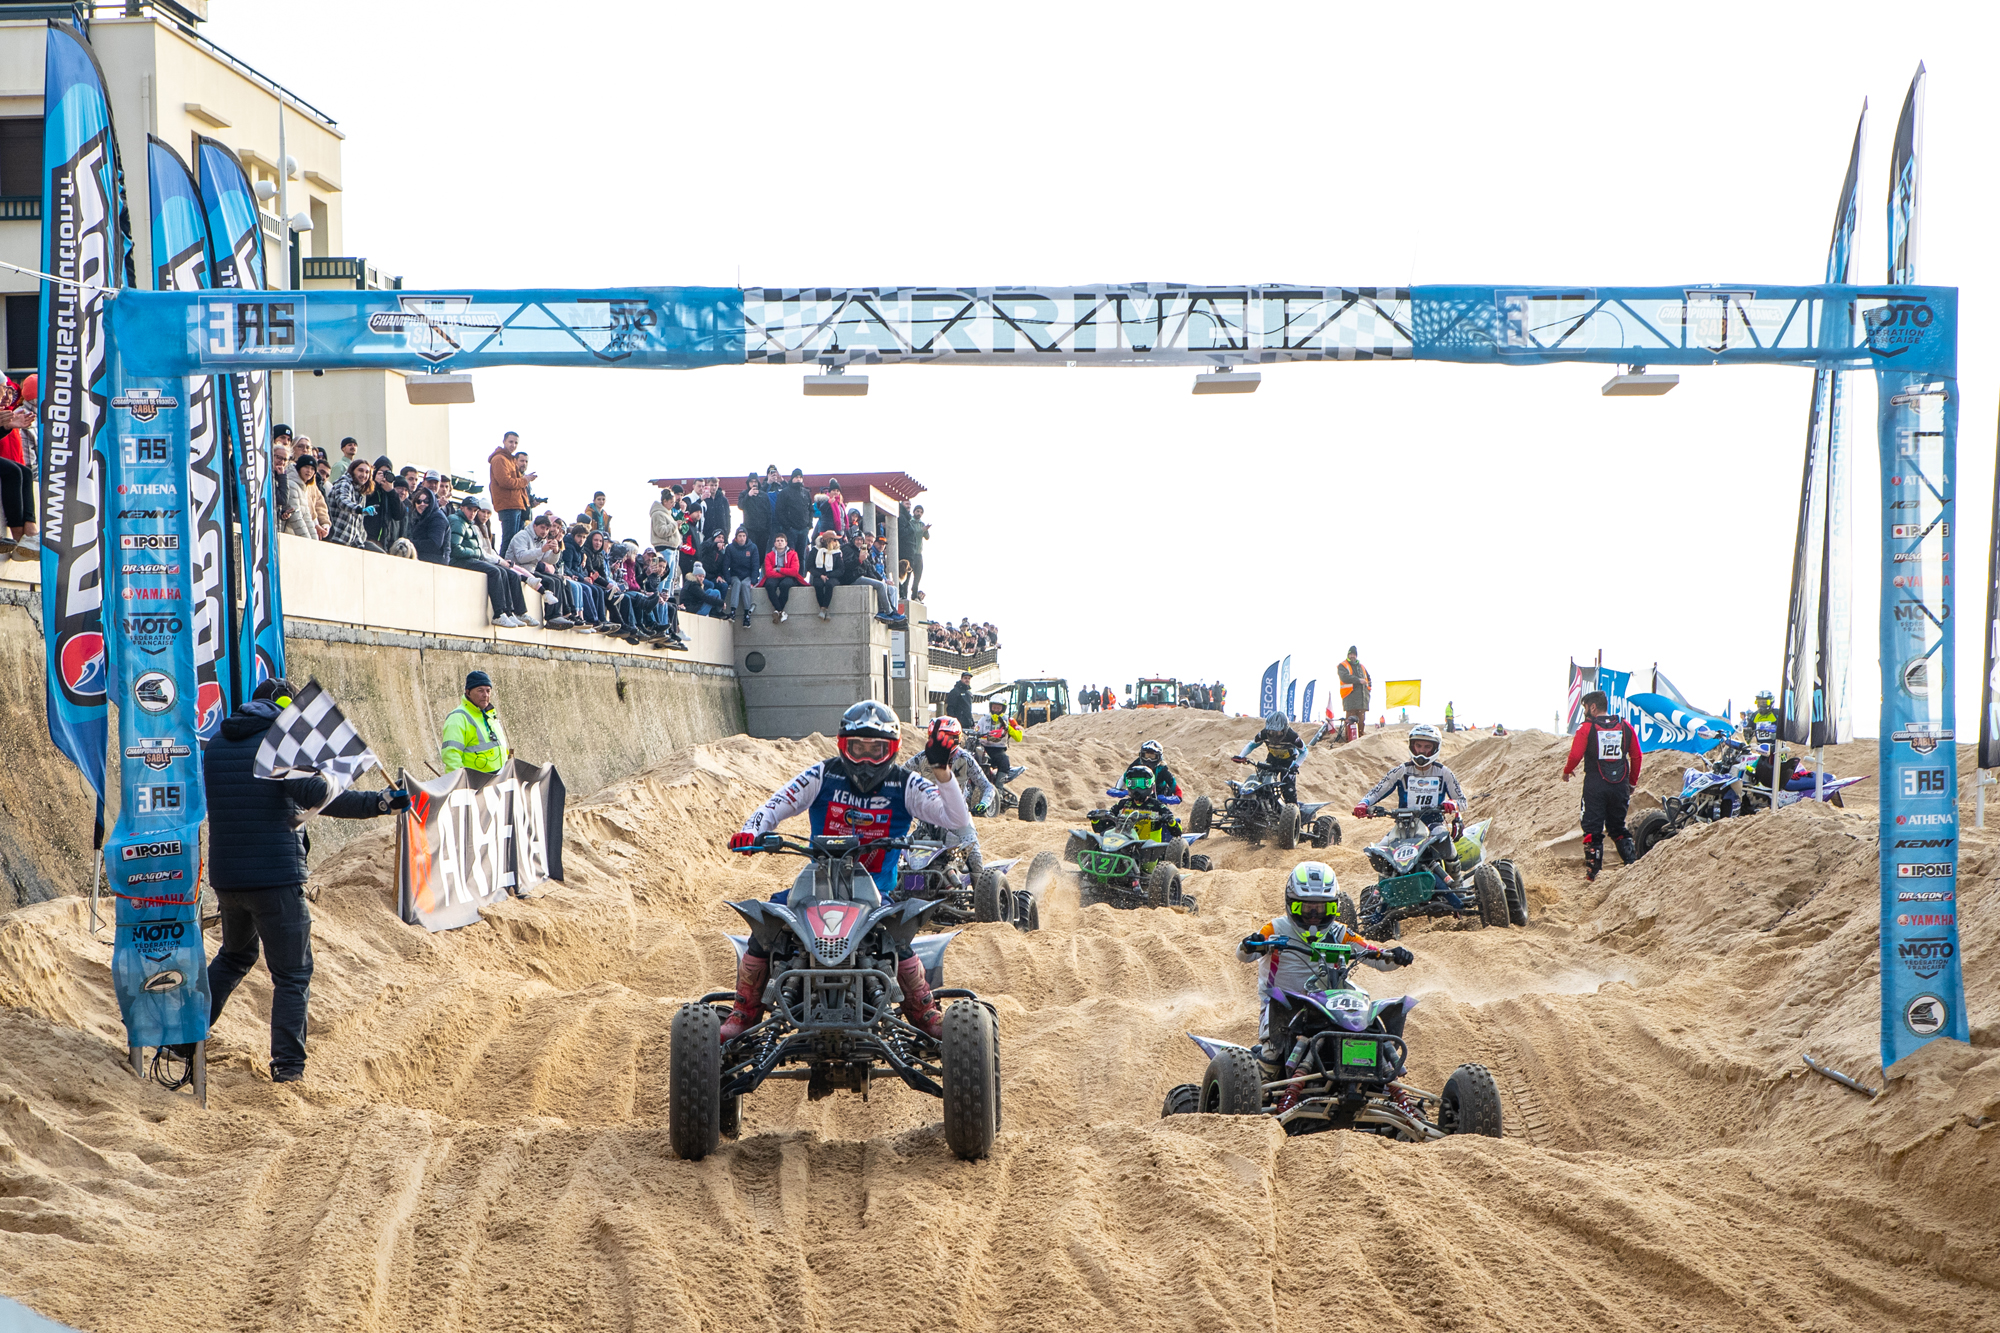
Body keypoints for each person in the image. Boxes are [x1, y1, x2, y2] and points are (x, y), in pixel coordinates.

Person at [721, 700, 970, 1040]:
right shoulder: (823, 774)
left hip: (876, 894)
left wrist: (942, 772)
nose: (866, 759)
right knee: (765, 925)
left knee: (898, 936)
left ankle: (924, 1011)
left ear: (891, 750)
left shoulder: (906, 783)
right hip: (814, 889)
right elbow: (777, 803)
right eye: (857, 748)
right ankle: (744, 1011)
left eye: (876, 749)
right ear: (843, 746)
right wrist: (753, 830)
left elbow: (957, 820)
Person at [198, 677, 408, 1081]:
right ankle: (288, 1068)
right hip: (275, 876)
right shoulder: (280, 746)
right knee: (292, 975)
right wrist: (360, 790)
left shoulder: (219, 744)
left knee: (234, 956)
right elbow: (317, 794)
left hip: (229, 878)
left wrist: (376, 801)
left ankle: (184, 1037)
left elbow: (294, 795)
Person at [1237, 862, 1414, 1112]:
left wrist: (1395, 955)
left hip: (1332, 1004)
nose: (1313, 915)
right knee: (1272, 1058)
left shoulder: (1340, 932)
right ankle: (1262, 1090)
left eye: (1322, 908)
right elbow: (1244, 954)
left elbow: (1375, 955)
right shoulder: (1275, 929)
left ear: (1334, 907)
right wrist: (1251, 944)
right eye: (1305, 907)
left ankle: (1388, 1085)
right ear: (1291, 904)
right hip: (1285, 1008)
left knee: (1371, 1025)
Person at [1353, 723, 1470, 889]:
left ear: (1435, 748)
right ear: (1412, 746)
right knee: (1380, 851)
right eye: (1418, 745)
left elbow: (1462, 801)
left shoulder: (1444, 772)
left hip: (1434, 823)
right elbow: (1378, 790)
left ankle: (1457, 885)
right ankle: (1382, 891)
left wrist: (1452, 803)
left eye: (1427, 746)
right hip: (1404, 825)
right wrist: (1363, 804)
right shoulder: (1401, 771)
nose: (1422, 750)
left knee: (1445, 841)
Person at [1562, 690, 1642, 881]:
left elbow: (1575, 755)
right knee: (1617, 828)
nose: (1584, 712)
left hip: (1595, 785)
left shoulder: (1586, 728)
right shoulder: (1625, 726)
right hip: (1620, 784)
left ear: (1593, 707)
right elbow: (1637, 756)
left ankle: (1592, 875)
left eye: (1585, 708)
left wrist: (1567, 771)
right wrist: (1631, 782)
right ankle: (1633, 866)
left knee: (1592, 830)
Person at [450, 495, 528, 626]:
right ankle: (499, 614)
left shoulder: (468, 523)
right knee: (495, 572)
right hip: (458, 560)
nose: (472, 513)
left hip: (468, 558)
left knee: (502, 572)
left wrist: (478, 553)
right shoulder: (458, 521)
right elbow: (455, 549)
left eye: (475, 510)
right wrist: (477, 553)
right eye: (470, 509)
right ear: (462, 508)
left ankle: (508, 612)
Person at [1233, 710, 1313, 804]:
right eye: (1271, 732)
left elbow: (1304, 751)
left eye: (1278, 732)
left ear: (1285, 729)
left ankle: (1292, 808)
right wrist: (1241, 756)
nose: (1274, 735)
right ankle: (1264, 805)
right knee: (1262, 784)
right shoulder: (1263, 733)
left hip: (1289, 761)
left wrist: (1296, 766)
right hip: (1272, 759)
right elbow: (1252, 744)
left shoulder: (1292, 736)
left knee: (1288, 788)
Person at [441, 670, 510, 773]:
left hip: (497, 781)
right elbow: (451, 756)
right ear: (468, 692)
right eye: (480, 690)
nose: (485, 695)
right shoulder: (458, 717)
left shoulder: (490, 715)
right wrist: (460, 783)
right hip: (475, 784)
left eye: (488, 691)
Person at [1093, 763, 1181, 839]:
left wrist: (1171, 822)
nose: (1137, 788)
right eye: (1133, 784)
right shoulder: (1123, 804)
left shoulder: (1158, 806)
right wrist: (1095, 820)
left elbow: (1177, 832)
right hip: (1122, 847)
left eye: (1142, 784)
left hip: (1150, 851)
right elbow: (1102, 828)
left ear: (1151, 785)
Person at [326, 459, 384, 551]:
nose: (364, 475)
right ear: (352, 470)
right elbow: (343, 501)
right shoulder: (344, 482)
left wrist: (361, 542)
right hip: (336, 539)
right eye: (360, 470)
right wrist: (360, 510)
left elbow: (357, 525)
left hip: (352, 542)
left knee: (380, 555)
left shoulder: (361, 491)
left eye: (367, 472)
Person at [489, 431, 532, 550]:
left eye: (516, 443)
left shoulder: (511, 460)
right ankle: (505, 565)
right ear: (504, 442)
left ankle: (512, 565)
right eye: (511, 442)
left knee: (516, 541)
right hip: (507, 505)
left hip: (517, 505)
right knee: (509, 540)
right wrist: (525, 480)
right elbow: (505, 482)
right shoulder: (499, 459)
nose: (513, 445)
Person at [720, 525, 762, 626]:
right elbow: (725, 565)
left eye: (743, 536)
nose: (742, 538)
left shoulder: (752, 548)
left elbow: (755, 565)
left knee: (745, 585)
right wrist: (728, 580)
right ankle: (733, 610)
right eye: (740, 536)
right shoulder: (730, 548)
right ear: (736, 537)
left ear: (746, 537)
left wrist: (753, 580)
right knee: (737, 584)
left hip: (747, 575)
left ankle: (747, 613)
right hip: (735, 574)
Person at [978, 697, 1023, 783]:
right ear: (990, 707)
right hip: (983, 748)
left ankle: (999, 788)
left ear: (1003, 709)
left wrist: (1008, 728)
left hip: (998, 750)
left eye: (998, 708)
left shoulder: (1009, 720)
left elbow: (1019, 738)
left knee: (1004, 760)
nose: (995, 710)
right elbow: (976, 730)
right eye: (994, 707)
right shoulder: (983, 719)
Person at [808, 528, 844, 620]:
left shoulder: (837, 552)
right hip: (819, 575)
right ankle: (824, 609)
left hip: (832, 576)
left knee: (829, 584)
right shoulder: (815, 551)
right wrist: (820, 575)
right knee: (818, 584)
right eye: (834, 540)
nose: (836, 542)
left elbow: (840, 569)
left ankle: (824, 609)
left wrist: (829, 576)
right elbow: (810, 566)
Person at [777, 467, 813, 554]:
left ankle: (802, 569)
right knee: (791, 555)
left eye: (800, 477)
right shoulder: (784, 492)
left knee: (802, 556)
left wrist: (809, 525)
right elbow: (779, 510)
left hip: (804, 529)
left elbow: (810, 510)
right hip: (790, 530)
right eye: (796, 477)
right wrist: (787, 527)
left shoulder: (806, 492)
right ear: (792, 478)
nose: (798, 479)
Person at [1338, 647, 1371, 738]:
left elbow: (1368, 678)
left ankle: (1360, 738)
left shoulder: (1362, 667)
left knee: (1361, 721)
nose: (1352, 656)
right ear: (1348, 655)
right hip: (1350, 699)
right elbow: (1344, 677)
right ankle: (1349, 739)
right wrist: (1358, 680)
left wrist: (1369, 689)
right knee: (1350, 721)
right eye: (1350, 654)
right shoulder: (1343, 665)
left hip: (1362, 701)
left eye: (1354, 654)